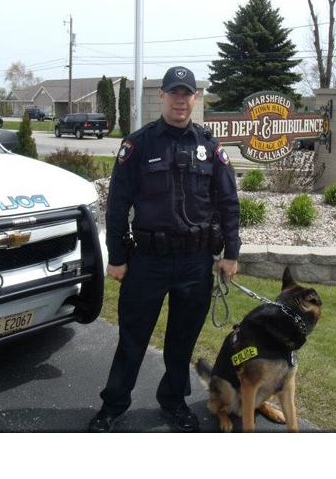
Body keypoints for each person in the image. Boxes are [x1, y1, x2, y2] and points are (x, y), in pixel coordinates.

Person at [88, 66, 241, 433]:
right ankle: (113, 405)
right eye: (173, 92)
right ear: (162, 96)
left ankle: (173, 401)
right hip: (148, 263)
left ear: (194, 98)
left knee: (181, 343)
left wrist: (231, 253)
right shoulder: (138, 145)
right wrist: (118, 257)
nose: (180, 99)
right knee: (132, 339)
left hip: (195, 262)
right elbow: (117, 205)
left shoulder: (209, 147)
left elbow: (228, 202)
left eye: (186, 93)